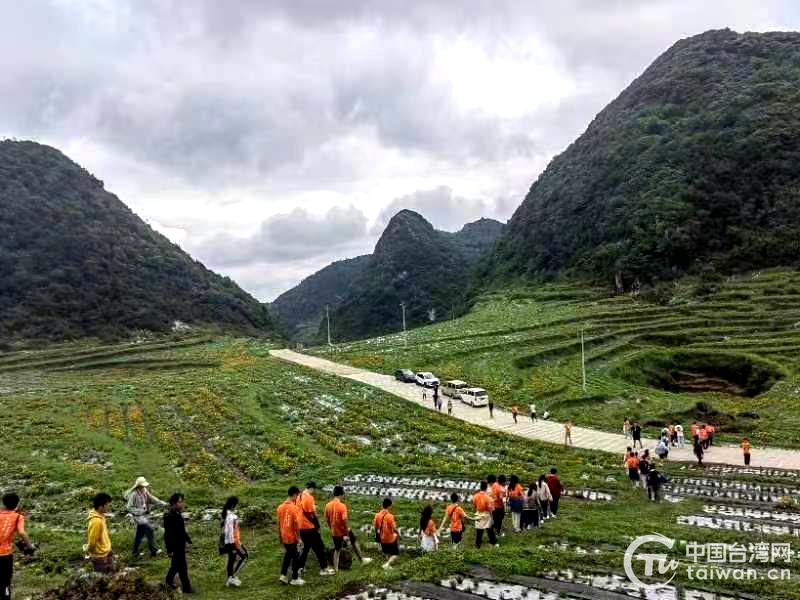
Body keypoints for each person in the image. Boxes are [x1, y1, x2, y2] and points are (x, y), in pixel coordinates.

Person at [324, 486, 371, 573]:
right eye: (343, 494)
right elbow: (345, 520)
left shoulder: (327, 505)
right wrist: (346, 534)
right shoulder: (342, 506)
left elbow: (327, 519)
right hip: (343, 530)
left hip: (334, 531)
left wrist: (332, 529)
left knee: (337, 550)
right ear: (341, 494)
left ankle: (336, 569)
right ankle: (362, 560)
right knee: (354, 541)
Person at [296, 481, 335, 577]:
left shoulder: (299, 496)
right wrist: (317, 525)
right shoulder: (309, 498)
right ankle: (324, 568)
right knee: (319, 547)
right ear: (312, 488)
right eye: (314, 489)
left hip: (301, 526)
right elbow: (312, 514)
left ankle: (299, 567)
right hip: (309, 526)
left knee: (306, 548)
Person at [125, 476, 167, 558]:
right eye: (142, 486)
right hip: (138, 517)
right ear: (138, 486)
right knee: (150, 530)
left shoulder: (144, 491)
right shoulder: (133, 494)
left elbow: (152, 498)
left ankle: (135, 552)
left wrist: (162, 503)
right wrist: (139, 511)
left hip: (143, 516)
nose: (143, 487)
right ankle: (154, 551)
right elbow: (129, 507)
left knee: (139, 534)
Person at [1, 493, 32, 600]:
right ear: (17, 504)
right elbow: (22, 533)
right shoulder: (18, 517)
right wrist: (30, 546)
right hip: (5, 555)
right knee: (5, 581)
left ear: (3, 503)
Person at [164, 493, 192, 594]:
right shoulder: (169, 516)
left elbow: (181, 530)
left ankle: (168, 582)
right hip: (175, 547)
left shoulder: (177, 514)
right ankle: (187, 588)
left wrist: (188, 539)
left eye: (182, 501)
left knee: (175, 566)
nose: (182, 504)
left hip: (180, 545)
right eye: (180, 502)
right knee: (182, 568)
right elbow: (168, 535)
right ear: (173, 503)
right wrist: (170, 550)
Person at [277, 486, 304, 586]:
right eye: (297, 496)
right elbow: (296, 525)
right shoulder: (295, 508)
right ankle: (295, 578)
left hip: (284, 536)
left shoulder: (280, 507)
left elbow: (279, 523)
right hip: (292, 537)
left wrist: (279, 536)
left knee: (288, 555)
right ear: (295, 495)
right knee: (296, 557)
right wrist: (299, 539)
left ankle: (283, 575)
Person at [220, 497, 248, 587]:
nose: (236, 506)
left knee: (231, 560)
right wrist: (233, 547)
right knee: (244, 556)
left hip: (233, 541)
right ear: (233, 505)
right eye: (236, 505)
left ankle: (231, 578)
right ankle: (232, 577)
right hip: (233, 542)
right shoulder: (230, 517)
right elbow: (229, 532)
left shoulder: (229, 515)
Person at [87, 493, 114, 574]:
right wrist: (90, 551)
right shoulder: (96, 521)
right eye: (107, 505)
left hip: (106, 551)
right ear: (100, 506)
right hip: (100, 556)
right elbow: (92, 541)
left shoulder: (100, 515)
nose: (108, 507)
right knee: (102, 579)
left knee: (110, 576)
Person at [374, 498, 399, 569]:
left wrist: (377, 536)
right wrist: (399, 535)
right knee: (395, 554)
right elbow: (394, 529)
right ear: (389, 506)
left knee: (386, 552)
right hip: (390, 538)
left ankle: (387, 565)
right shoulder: (390, 516)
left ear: (382, 505)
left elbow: (376, 527)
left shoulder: (377, 515)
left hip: (382, 538)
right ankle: (387, 564)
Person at [472, 481, 497, 548]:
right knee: (490, 530)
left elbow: (474, 506)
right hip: (486, 514)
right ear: (486, 488)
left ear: (480, 487)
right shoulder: (488, 497)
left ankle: (477, 545)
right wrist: (492, 518)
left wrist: (476, 513)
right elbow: (490, 509)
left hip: (478, 513)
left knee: (479, 531)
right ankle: (493, 543)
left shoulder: (475, 496)